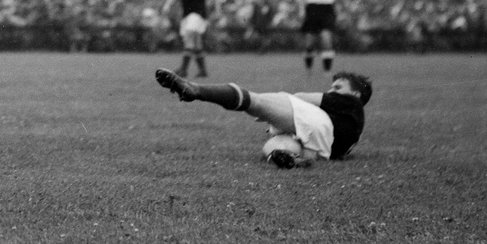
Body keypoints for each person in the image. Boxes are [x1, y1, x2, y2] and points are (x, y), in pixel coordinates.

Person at [155, 67, 371, 167]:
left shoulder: (351, 102)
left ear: (355, 94)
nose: (332, 90)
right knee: (278, 144)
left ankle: (196, 89)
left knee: (255, 101)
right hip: (320, 150)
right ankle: (286, 159)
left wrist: (279, 105)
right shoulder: (355, 127)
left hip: (317, 124)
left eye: (338, 87)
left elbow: (303, 97)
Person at [161, 0, 217, 78]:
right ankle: (203, 71)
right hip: (186, 14)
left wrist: (218, 8)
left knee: (190, 36)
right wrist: (167, 5)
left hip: (198, 13)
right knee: (196, 43)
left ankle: (183, 69)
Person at [296, 0, 348, 72]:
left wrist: (342, 11)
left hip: (327, 8)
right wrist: (301, 10)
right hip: (312, 8)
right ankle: (308, 69)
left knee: (326, 39)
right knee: (309, 42)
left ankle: (327, 71)